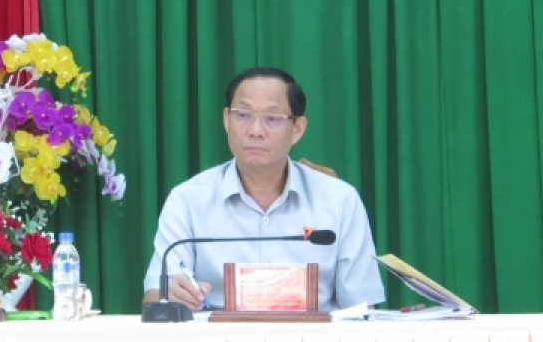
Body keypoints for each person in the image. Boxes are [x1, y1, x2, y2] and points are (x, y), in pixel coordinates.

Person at [142, 67, 385, 312]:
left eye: (272, 118)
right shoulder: (188, 200)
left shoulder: (340, 201)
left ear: (297, 129)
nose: (255, 131)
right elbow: (153, 296)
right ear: (226, 120)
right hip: (217, 335)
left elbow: (362, 308)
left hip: (312, 336)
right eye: (243, 115)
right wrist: (169, 296)